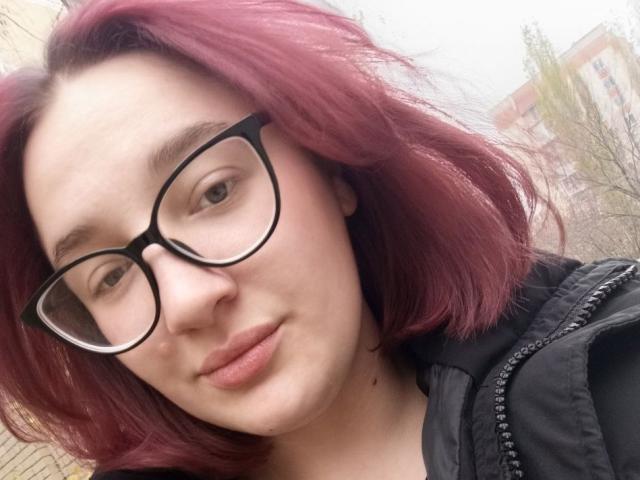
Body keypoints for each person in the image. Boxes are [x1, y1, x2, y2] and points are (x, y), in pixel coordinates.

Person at [1, 1, 638, 480]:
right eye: (109, 277)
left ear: (329, 164)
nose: (186, 302)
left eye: (214, 192)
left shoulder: (610, 378)